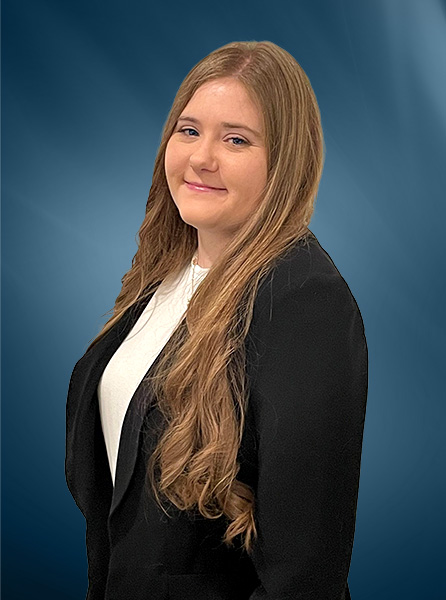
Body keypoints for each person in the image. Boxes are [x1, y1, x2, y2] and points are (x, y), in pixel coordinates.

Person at [65, 40, 368, 600]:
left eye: (236, 139)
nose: (201, 158)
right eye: (189, 130)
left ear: (285, 162)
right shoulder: (166, 275)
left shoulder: (305, 299)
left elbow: (306, 574)